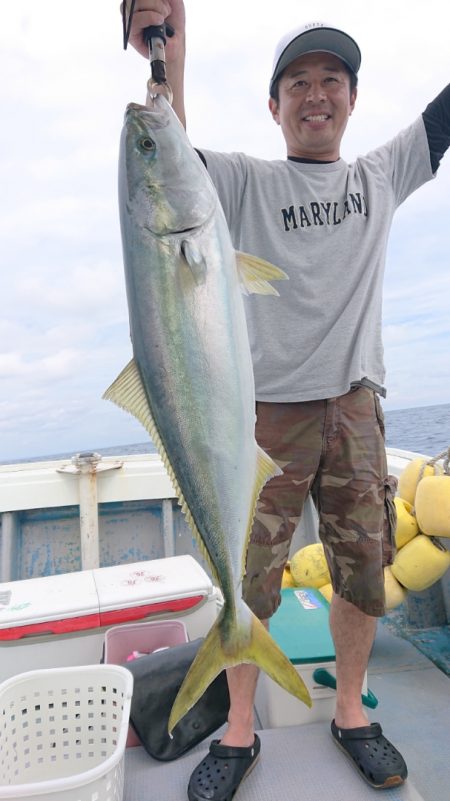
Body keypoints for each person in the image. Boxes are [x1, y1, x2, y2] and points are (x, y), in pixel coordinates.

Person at [127, 3, 449, 799]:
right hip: (262, 413)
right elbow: (165, 156)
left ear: (351, 97)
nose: (316, 94)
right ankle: (240, 728)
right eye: (298, 82)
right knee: (254, 581)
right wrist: (172, 41)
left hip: (356, 408)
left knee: (362, 575)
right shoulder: (241, 181)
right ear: (274, 106)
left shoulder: (381, 174)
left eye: (331, 79)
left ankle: (349, 712)